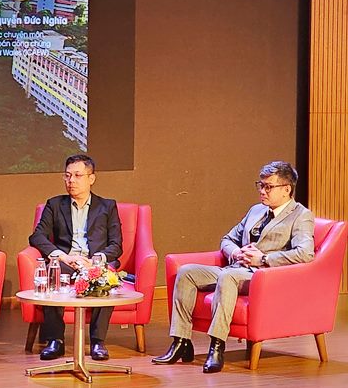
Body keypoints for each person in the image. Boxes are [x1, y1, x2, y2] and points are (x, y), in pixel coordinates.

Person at [152, 161, 315, 373]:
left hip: (262, 276)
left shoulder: (300, 215)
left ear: (286, 189)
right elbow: (227, 239)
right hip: (235, 268)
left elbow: (305, 253)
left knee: (227, 278)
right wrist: (236, 252)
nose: (262, 191)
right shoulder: (256, 210)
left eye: (268, 187)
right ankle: (181, 342)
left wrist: (264, 259)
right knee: (186, 272)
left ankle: (217, 346)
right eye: (260, 185)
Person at [29, 154, 123, 361]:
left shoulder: (107, 206)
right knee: (53, 274)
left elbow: (116, 245)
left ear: (91, 178)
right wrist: (62, 257)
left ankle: (98, 342)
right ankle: (55, 340)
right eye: (67, 175)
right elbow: (37, 236)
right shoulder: (55, 204)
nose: (71, 181)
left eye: (77, 175)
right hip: (67, 261)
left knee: (104, 276)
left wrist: (96, 260)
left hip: (94, 262)